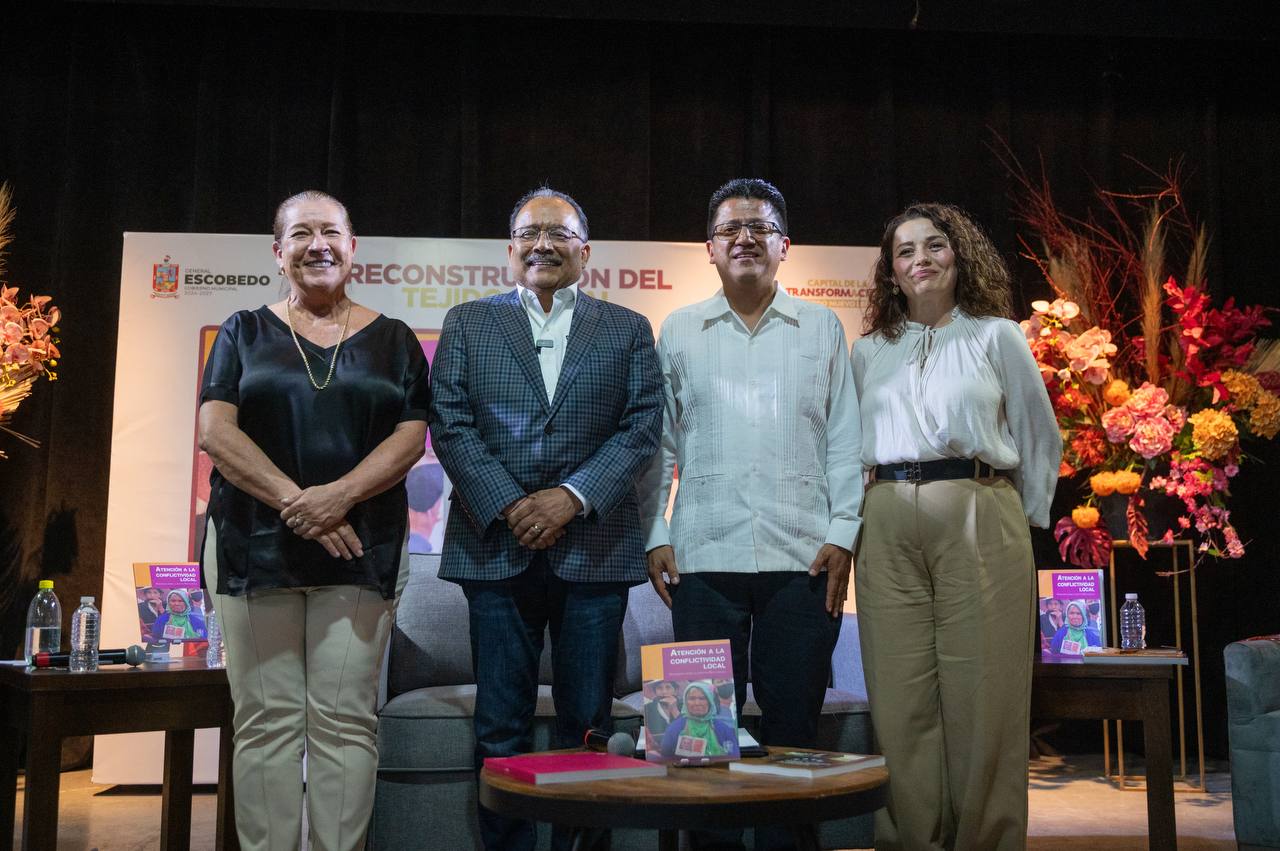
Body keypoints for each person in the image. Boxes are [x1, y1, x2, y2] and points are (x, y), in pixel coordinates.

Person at [430, 186, 663, 851]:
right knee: (500, 727)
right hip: (495, 548)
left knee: (587, 726)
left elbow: (642, 426)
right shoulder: (468, 323)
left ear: (585, 251)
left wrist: (571, 497)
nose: (543, 245)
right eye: (529, 233)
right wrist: (511, 504)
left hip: (594, 548)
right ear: (510, 250)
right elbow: (450, 422)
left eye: (558, 233)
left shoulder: (627, 328)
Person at [198, 190, 429, 851]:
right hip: (252, 544)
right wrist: (301, 503)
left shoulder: (395, 339)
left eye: (331, 232)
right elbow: (216, 432)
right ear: (279, 253)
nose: (317, 244)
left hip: (362, 546)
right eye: (301, 234)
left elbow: (411, 437)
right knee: (266, 721)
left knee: (344, 719)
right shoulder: (242, 331)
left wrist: (340, 496)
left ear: (353, 248)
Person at [639, 178, 861, 851]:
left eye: (759, 227)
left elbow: (845, 441)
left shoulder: (821, 327)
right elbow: (659, 445)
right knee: (697, 742)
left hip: (804, 560)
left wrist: (844, 533)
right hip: (701, 560)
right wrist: (654, 532)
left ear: (784, 245)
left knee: (794, 737)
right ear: (708, 248)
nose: (744, 238)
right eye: (729, 228)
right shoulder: (679, 330)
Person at [851, 203, 1062, 851]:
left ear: (959, 254)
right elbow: (849, 449)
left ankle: (986, 840)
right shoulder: (868, 351)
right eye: (905, 251)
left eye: (935, 245)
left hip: (979, 510)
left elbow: (1039, 435)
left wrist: (1020, 521)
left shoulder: (998, 336)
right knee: (899, 698)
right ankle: (911, 840)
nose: (921, 259)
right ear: (890, 272)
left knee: (984, 697)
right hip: (886, 516)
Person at [659, 681, 738, 759]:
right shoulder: (675, 728)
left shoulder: (723, 729)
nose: (697, 703)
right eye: (692, 698)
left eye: (702, 698)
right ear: (685, 702)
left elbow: (734, 755)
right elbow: (666, 757)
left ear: (710, 701)